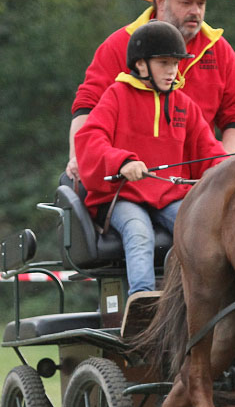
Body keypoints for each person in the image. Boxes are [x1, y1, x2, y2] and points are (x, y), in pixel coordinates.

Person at [75, 20, 226, 295]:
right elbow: (89, 140)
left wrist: (232, 168)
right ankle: (141, 302)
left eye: (176, 63)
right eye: (164, 63)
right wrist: (122, 162)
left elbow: (210, 150)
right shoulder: (116, 96)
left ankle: (201, 298)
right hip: (123, 195)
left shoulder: (183, 104)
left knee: (201, 226)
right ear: (141, 65)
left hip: (168, 195)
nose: (172, 71)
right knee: (138, 231)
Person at [67, 0, 235, 180]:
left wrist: (221, 166)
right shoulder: (120, 44)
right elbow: (88, 107)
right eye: (186, 2)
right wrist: (79, 158)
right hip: (131, 181)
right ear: (160, 1)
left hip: (195, 183)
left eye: (201, 3)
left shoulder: (220, 49)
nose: (195, 11)